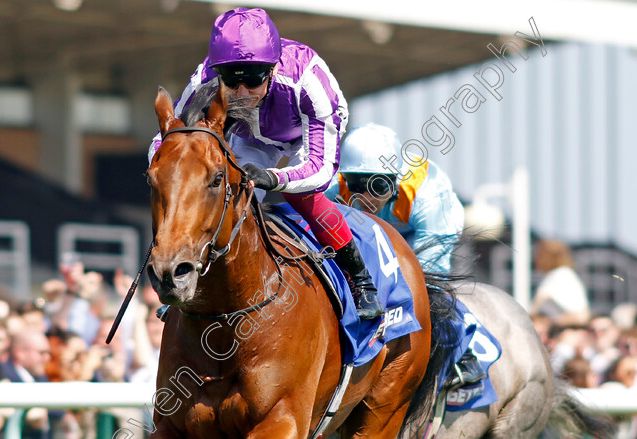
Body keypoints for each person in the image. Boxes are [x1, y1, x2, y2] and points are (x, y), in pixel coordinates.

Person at [148, 7, 382, 318]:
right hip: (251, 139)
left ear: (271, 70)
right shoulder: (205, 77)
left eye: (255, 80)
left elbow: (320, 168)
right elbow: (168, 140)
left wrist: (275, 177)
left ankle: (361, 281)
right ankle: (195, 283)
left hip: (305, 133)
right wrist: (169, 172)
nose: (242, 92)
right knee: (233, 199)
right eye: (231, 81)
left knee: (301, 196)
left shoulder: (308, 81)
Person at [323, 123, 464, 275]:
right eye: (356, 184)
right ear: (343, 177)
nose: (367, 197)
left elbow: (431, 270)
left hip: (424, 231)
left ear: (395, 180)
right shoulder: (335, 188)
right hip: (371, 232)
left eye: (378, 185)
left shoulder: (426, 194)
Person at [530, 239, 590, 326]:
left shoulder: (562, 275)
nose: (535, 257)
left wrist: (550, 322)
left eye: (539, 253)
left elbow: (582, 316)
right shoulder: (554, 275)